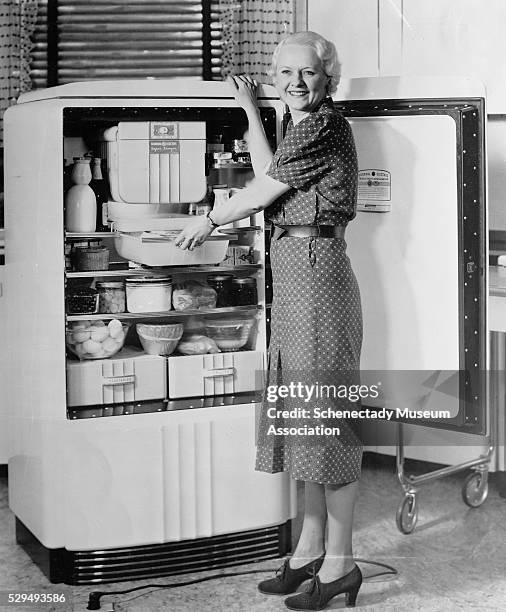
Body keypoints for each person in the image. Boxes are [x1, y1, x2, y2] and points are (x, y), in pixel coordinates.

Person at [175, 31, 363, 611]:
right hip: (297, 273)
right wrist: (251, 112)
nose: (296, 84)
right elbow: (270, 174)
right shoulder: (299, 128)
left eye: (307, 73)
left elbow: (260, 191)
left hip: (319, 276)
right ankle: (309, 552)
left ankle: (342, 564)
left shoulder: (325, 125)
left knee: (324, 422)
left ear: (327, 76)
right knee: (303, 417)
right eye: (285, 74)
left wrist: (211, 219)